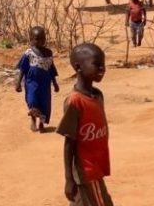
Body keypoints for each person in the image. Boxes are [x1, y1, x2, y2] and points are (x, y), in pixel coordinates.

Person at [58, 43, 113, 206]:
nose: (103, 69)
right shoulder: (75, 102)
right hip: (87, 170)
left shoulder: (97, 95)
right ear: (78, 67)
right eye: (97, 64)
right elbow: (69, 143)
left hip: (97, 164)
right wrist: (69, 179)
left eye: (103, 64)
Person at [15, 26, 60, 132]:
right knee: (32, 99)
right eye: (37, 39)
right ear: (31, 39)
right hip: (32, 81)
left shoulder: (49, 53)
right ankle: (33, 119)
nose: (40, 41)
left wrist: (55, 83)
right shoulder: (28, 53)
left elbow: (51, 68)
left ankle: (41, 124)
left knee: (45, 103)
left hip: (45, 82)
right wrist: (18, 83)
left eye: (42, 38)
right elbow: (22, 68)